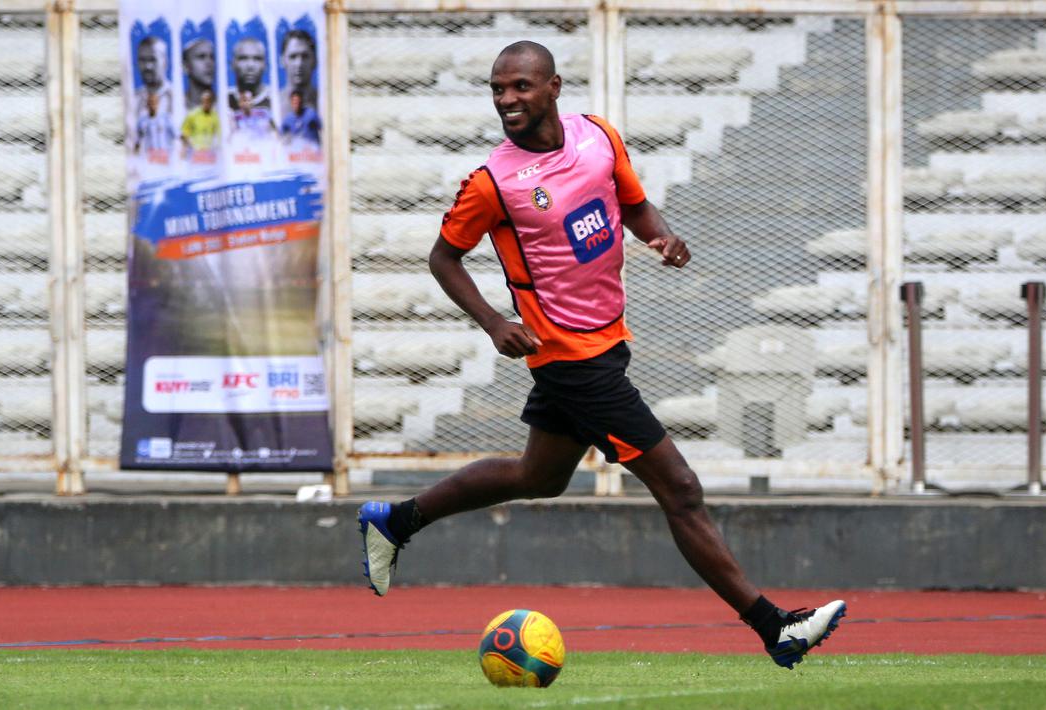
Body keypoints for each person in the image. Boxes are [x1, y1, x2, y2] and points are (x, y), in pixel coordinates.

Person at [357, 41, 847, 671]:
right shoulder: (493, 182)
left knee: (539, 478)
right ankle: (775, 627)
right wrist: (494, 322)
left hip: (607, 343)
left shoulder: (597, 136)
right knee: (681, 488)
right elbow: (442, 258)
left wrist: (661, 237)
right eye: (498, 89)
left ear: (554, 87)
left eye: (521, 86)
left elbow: (634, 205)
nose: (507, 99)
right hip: (570, 360)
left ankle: (396, 521)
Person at [134, 36, 173, 121]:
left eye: (153, 59)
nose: (147, 66)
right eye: (142, 60)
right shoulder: (133, 99)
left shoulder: (177, 99)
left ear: (165, 62)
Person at [279, 28, 318, 112]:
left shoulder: (324, 100)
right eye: (293, 57)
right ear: (282, 61)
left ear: (315, 60)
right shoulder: (275, 103)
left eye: (305, 56)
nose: (299, 64)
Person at [229, 36, 269, 111]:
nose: (250, 65)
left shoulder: (275, 99)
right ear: (232, 65)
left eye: (257, 59)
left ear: (265, 65)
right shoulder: (223, 100)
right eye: (243, 58)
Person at [181, 89, 219, 158]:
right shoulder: (193, 114)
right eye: (204, 101)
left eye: (209, 101)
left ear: (212, 102)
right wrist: (184, 147)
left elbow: (219, 134)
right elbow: (184, 132)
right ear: (201, 101)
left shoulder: (215, 117)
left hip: (209, 154)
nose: (206, 103)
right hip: (194, 153)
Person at [182, 37, 216, 111]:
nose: (209, 63)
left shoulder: (224, 104)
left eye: (212, 57)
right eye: (201, 57)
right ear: (185, 66)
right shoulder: (177, 105)